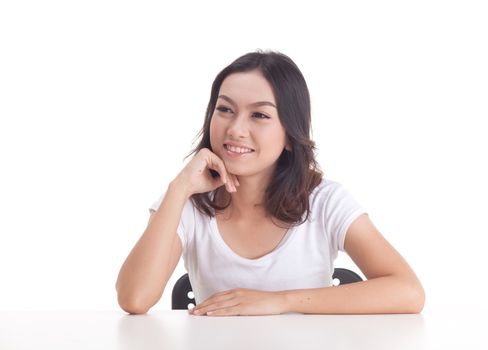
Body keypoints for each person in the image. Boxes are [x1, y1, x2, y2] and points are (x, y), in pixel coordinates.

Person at [115, 50, 425, 316]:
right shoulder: (187, 202)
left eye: (259, 115)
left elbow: (409, 291)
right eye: (225, 110)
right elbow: (134, 298)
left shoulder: (325, 201)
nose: (235, 129)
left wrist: (279, 301)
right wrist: (179, 188)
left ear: (290, 135)